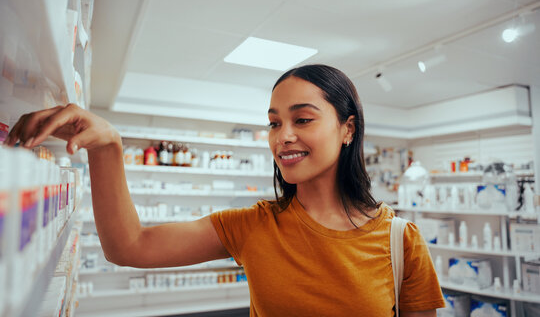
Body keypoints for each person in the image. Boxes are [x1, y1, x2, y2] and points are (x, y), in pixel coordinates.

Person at [6, 64, 445, 316]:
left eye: (302, 119)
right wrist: (108, 149)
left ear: (348, 129)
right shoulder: (254, 226)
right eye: (274, 123)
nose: (283, 136)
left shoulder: (399, 241)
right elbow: (130, 247)